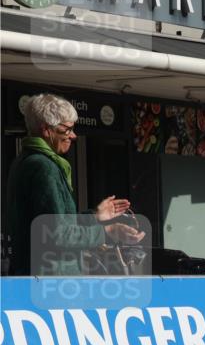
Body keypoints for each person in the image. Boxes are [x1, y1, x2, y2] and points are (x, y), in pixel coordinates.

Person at [8, 93, 143, 275]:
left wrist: (95, 216)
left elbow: (55, 225)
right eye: (67, 129)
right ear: (47, 130)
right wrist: (108, 232)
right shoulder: (43, 167)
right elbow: (56, 234)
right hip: (52, 281)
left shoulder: (25, 161)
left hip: (36, 277)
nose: (73, 136)